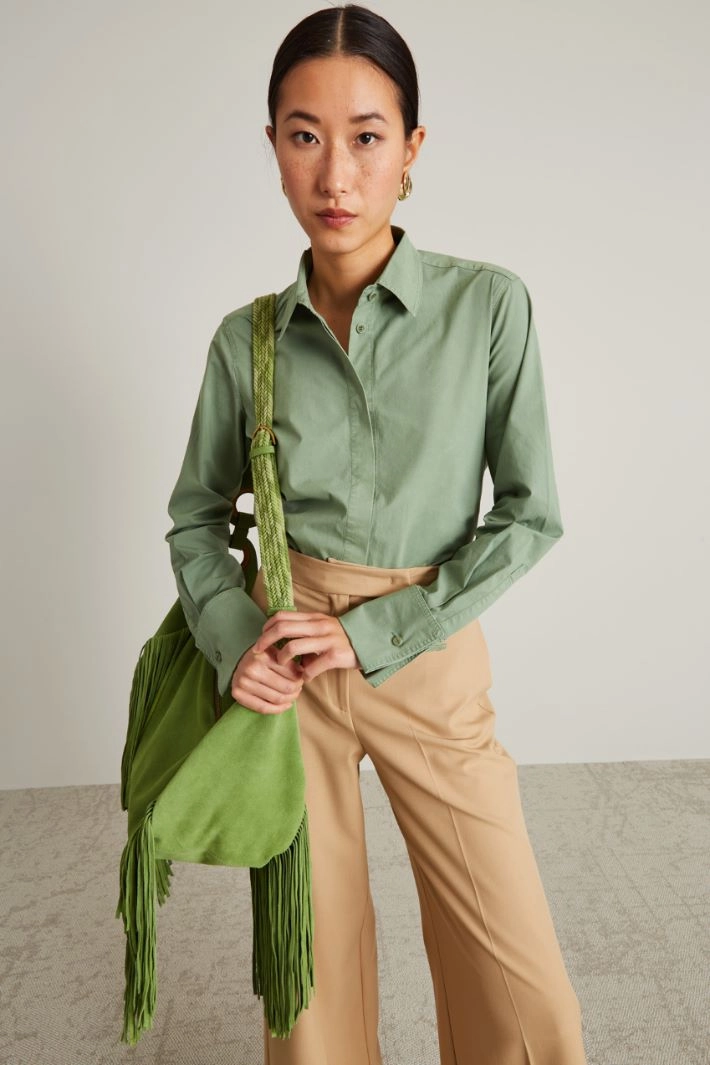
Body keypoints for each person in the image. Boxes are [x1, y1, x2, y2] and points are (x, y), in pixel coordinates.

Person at [164, 5, 588, 1064]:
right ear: (273, 147)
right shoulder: (246, 340)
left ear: (411, 148)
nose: (335, 176)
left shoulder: (487, 307)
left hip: (427, 651)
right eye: (304, 136)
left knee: (520, 986)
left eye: (365, 136)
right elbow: (196, 517)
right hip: (287, 666)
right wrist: (235, 639)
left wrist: (378, 630)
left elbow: (530, 511)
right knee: (308, 984)